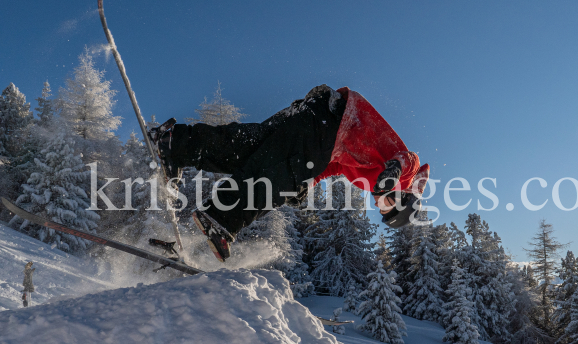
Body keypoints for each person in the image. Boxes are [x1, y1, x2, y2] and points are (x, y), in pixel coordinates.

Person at [152, 85, 430, 262]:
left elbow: (333, 165)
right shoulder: (406, 176)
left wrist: (309, 182)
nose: (380, 206)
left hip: (317, 115)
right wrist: (394, 171)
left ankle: (176, 144)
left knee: (251, 148)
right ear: (401, 196)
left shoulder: (371, 182)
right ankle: (221, 218)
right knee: (281, 176)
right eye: (388, 207)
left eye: (383, 212)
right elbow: (407, 159)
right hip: (330, 122)